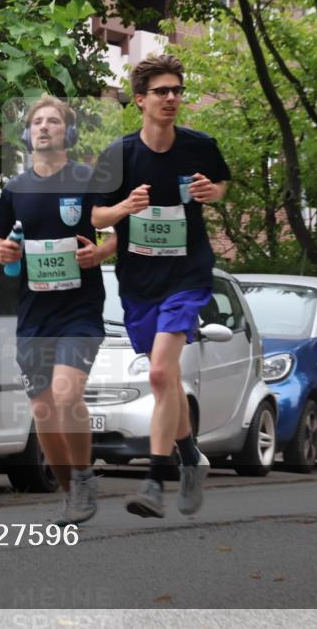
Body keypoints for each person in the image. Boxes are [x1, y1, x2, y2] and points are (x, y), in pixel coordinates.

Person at [91, 55, 230, 518]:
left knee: (157, 374)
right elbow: (95, 217)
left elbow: (220, 183)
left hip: (186, 276)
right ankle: (191, 458)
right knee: (167, 378)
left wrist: (214, 192)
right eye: (161, 92)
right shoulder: (120, 155)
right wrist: (125, 207)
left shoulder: (199, 146)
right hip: (138, 282)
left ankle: (155, 479)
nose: (171, 98)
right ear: (140, 100)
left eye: (177, 90)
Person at [0, 96, 117, 525]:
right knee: (43, 410)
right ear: (28, 135)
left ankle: (82, 479)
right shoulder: (15, 189)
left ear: (69, 132)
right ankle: (74, 491)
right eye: (37, 122)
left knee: (66, 395)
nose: (44, 128)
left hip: (79, 311)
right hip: (33, 314)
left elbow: (118, 232)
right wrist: (3, 249)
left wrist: (100, 254)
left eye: (54, 121)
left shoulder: (88, 179)